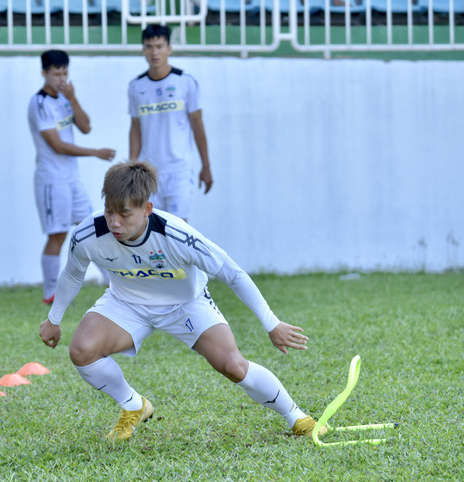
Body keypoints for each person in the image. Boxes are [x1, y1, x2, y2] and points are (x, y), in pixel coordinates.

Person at [39, 161, 326, 441]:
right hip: (126, 303)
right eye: (109, 211)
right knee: (82, 351)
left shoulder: (177, 235)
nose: (114, 222)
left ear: (147, 209)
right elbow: (72, 274)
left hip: (185, 304)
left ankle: (298, 418)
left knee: (232, 365)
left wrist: (271, 323)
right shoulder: (88, 234)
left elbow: (234, 274)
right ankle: (133, 405)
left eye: (125, 214)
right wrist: (54, 319)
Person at [28, 49, 116, 305]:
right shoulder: (39, 103)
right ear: (44, 73)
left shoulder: (66, 98)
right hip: (51, 180)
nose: (62, 78)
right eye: (56, 74)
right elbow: (58, 146)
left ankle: (114, 284)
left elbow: (86, 127)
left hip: (72, 180)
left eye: (65, 73)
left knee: (95, 228)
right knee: (57, 235)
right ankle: (49, 294)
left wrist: (74, 98)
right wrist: (96, 153)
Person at [128, 24, 213, 221]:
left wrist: (206, 166)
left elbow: (198, 126)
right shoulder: (136, 86)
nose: (154, 52)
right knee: (150, 232)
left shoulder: (185, 82)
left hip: (180, 171)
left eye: (159, 46)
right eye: (149, 46)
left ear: (169, 48)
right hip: (149, 173)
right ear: (143, 50)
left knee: (178, 232)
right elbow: (135, 128)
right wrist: (131, 167)